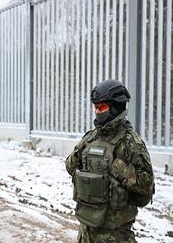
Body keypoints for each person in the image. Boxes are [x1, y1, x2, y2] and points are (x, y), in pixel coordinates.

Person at [65, 79, 154, 243]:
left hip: (115, 235)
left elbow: (147, 186)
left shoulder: (131, 143)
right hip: (86, 231)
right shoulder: (91, 137)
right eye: (96, 107)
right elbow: (70, 167)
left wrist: (118, 168)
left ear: (116, 107)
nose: (98, 112)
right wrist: (78, 154)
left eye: (102, 107)